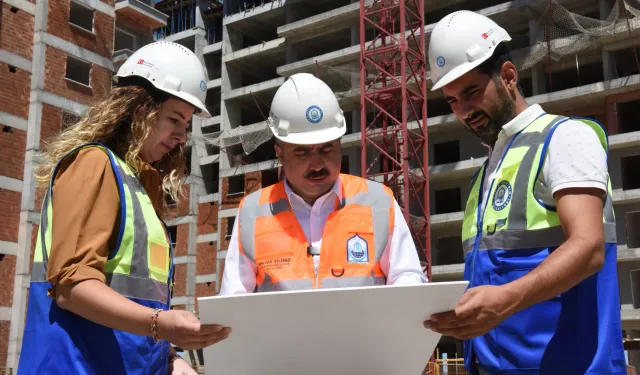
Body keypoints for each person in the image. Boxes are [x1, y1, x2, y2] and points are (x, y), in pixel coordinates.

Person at [423, 11, 625, 375]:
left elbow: (590, 245)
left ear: (508, 76)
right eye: (452, 100)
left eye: (471, 91)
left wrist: (504, 301)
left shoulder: (564, 138)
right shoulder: (484, 175)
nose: (464, 111)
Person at [18, 41, 230, 375]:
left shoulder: (138, 187)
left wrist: (169, 358)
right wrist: (161, 325)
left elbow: (136, 308)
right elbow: (72, 288)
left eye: (186, 124)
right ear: (137, 108)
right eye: (175, 119)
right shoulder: (94, 164)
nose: (181, 136)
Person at [219, 72, 427, 295]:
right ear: (280, 153)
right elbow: (234, 298)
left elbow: (407, 276)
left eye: (327, 148)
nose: (317, 163)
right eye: (302, 152)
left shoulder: (379, 202)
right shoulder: (252, 212)